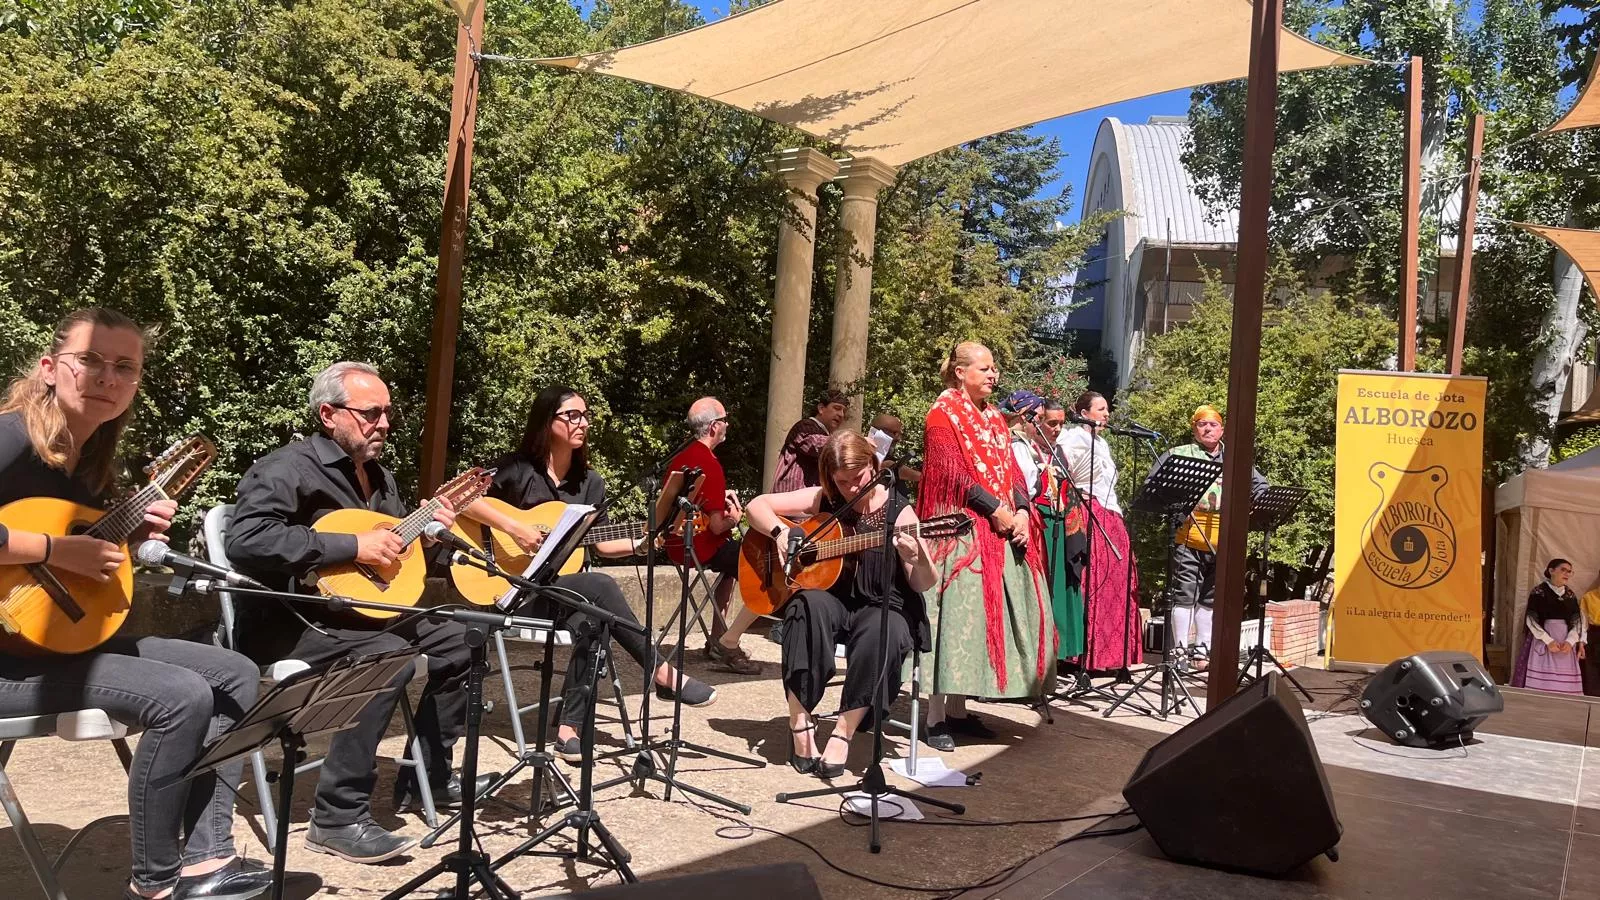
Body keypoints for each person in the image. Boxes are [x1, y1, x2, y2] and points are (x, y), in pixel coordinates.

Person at [0, 308, 272, 900]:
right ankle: (154, 884)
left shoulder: (92, 462)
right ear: (50, 367)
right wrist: (56, 548)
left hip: (52, 642)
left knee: (235, 672)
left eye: (124, 366)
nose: (107, 376)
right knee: (180, 695)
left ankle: (206, 860)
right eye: (90, 360)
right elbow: (54, 550)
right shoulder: (12, 436)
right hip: (6, 661)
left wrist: (124, 532)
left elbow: (82, 568)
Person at [227, 362, 492, 864]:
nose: (385, 423)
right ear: (329, 414)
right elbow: (246, 540)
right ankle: (337, 816)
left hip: (358, 611)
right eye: (371, 413)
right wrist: (351, 544)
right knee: (387, 655)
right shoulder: (286, 468)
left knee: (462, 639)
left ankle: (425, 779)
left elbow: (395, 560)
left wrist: (433, 532)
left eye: (387, 413)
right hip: (290, 619)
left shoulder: (381, 478)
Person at [458, 385, 717, 762]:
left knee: (593, 620)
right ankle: (661, 672)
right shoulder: (516, 469)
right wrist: (516, 528)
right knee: (601, 586)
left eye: (586, 416)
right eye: (572, 416)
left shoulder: (590, 484)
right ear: (548, 422)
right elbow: (461, 497)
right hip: (511, 590)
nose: (583, 423)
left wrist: (646, 543)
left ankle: (569, 729)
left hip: (559, 593)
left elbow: (601, 544)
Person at [746, 431, 936, 778]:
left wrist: (917, 556)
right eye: (842, 481)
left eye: (858, 479)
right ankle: (800, 720)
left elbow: (922, 583)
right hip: (833, 600)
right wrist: (780, 533)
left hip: (882, 604)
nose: (850, 488)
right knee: (805, 606)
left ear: (873, 465)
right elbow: (755, 506)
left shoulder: (900, 510)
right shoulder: (826, 498)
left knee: (885, 630)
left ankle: (842, 732)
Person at [917, 342, 1056, 752]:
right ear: (960, 372)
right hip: (959, 532)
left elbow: (1013, 470)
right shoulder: (941, 415)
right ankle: (935, 716)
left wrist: (1024, 513)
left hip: (1002, 528)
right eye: (984, 368)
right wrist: (996, 509)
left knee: (977, 626)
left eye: (995, 368)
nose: (993, 374)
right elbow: (950, 474)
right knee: (955, 622)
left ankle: (959, 711)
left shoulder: (995, 417)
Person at [1148, 405, 1268, 668]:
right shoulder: (1178, 454)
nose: (1208, 428)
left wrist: (1250, 506)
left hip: (1223, 538)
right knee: (1184, 594)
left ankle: (1202, 652)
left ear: (1222, 429)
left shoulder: (1235, 458)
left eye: (1213, 424)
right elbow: (1153, 485)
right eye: (1202, 424)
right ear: (1194, 430)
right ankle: (1179, 652)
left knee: (1210, 597)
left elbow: (1261, 487)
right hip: (1188, 534)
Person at [664, 397, 760, 675]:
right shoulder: (709, 463)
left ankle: (718, 637)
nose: (728, 425)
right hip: (700, 547)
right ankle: (729, 644)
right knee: (758, 563)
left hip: (676, 544)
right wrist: (737, 514)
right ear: (715, 427)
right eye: (725, 420)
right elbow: (718, 526)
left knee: (730, 566)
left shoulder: (682, 458)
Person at [1057, 390, 1141, 673]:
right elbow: (1060, 472)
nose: (1107, 414)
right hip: (1087, 510)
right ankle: (1081, 656)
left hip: (1111, 514)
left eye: (1107, 409)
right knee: (1093, 580)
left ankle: (1109, 655)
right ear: (1084, 413)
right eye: (1101, 409)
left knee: (1116, 582)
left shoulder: (1102, 443)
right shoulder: (1072, 437)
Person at [1511, 559, 1586, 695]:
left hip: (1565, 642)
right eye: (1563, 570)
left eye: (1569, 572)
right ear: (1551, 571)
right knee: (1541, 685)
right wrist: (1548, 641)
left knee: (1565, 688)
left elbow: (1577, 622)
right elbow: (1531, 619)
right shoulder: (1539, 592)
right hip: (1544, 638)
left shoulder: (1570, 595)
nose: (1567, 574)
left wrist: (1570, 642)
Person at [771, 388, 849, 493]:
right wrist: (852, 442)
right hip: (789, 501)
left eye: (844, 411)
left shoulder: (829, 437)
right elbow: (816, 444)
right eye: (837, 408)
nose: (841, 415)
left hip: (809, 504)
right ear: (821, 408)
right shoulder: (804, 427)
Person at [867, 412, 922, 486]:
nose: (898, 438)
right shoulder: (859, 453)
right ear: (881, 433)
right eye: (895, 433)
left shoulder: (888, 458)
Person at [1582, 580, 1600, 697]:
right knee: (1591, 672)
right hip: (1594, 635)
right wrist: (1581, 643)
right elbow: (1583, 623)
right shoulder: (1588, 597)